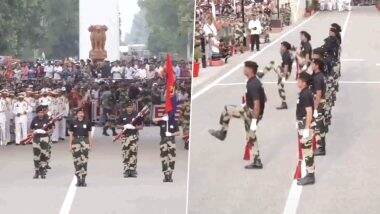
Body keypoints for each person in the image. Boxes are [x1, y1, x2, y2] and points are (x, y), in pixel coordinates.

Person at [208, 61, 267, 169]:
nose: (243, 70)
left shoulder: (253, 84)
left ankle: (222, 133)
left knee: (227, 109)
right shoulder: (254, 81)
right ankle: (257, 161)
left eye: (245, 68)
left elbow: (257, 104)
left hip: (251, 114)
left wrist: (254, 121)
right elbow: (264, 99)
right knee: (251, 136)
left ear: (250, 70)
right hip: (251, 112)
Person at [296, 72, 315, 185]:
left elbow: (309, 112)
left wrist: (306, 130)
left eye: (299, 80)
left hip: (305, 125)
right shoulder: (304, 92)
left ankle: (310, 175)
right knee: (306, 150)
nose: (297, 82)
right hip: (303, 124)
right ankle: (309, 173)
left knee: (307, 150)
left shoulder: (305, 94)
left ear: (304, 83)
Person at [69, 108, 93, 187]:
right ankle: (78, 179)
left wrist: (90, 144)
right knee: (76, 161)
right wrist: (70, 145)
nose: (81, 114)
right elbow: (71, 135)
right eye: (79, 113)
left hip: (85, 141)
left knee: (84, 160)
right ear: (76, 114)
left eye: (82, 113)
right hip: (75, 141)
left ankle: (83, 179)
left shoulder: (87, 122)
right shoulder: (73, 122)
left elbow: (89, 134)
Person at [117, 101, 143, 178]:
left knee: (133, 153)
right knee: (125, 153)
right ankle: (126, 170)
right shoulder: (122, 115)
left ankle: (132, 170)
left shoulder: (136, 115)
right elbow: (117, 125)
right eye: (128, 107)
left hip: (134, 136)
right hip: (125, 136)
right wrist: (124, 126)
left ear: (133, 107)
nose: (129, 108)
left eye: (131, 107)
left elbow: (141, 126)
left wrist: (134, 127)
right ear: (126, 108)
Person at [154, 114, 179, 182]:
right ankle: (166, 175)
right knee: (164, 159)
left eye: (168, 115)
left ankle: (170, 175)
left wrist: (171, 134)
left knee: (172, 159)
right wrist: (162, 118)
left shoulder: (174, 122)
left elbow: (178, 132)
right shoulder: (162, 122)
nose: (167, 116)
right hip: (163, 142)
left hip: (171, 142)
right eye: (165, 115)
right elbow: (154, 120)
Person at [30, 105, 53, 179]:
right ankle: (37, 171)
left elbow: (51, 130)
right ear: (37, 113)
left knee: (44, 155)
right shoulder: (34, 119)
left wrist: (46, 132)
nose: (41, 114)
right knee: (36, 156)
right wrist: (35, 131)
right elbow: (31, 129)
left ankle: (42, 171)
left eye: (42, 112)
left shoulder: (47, 119)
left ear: (44, 113)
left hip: (44, 139)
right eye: (39, 112)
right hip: (36, 139)